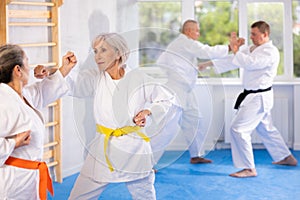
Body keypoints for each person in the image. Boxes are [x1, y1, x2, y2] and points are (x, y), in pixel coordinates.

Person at [63, 33, 177, 199]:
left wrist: (148, 111)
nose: (97, 56)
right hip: (103, 148)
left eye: (103, 50)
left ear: (118, 53)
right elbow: (73, 83)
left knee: (144, 195)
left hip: (135, 148)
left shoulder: (138, 78)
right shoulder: (95, 77)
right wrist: (57, 72)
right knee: (79, 195)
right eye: (95, 51)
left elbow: (167, 98)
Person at [199, 21, 298, 178]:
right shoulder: (252, 49)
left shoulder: (270, 52)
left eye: (254, 34)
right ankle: (286, 157)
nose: (251, 37)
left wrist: (238, 50)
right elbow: (232, 60)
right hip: (252, 96)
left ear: (265, 34)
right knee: (266, 129)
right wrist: (206, 64)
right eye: (251, 34)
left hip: (258, 97)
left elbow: (250, 63)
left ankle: (248, 168)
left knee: (238, 129)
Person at [0, 44, 77, 199]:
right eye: (27, 63)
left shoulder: (22, 95)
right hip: (12, 183)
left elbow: (42, 91)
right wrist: (14, 142)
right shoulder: (3, 103)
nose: (31, 68)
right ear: (18, 70)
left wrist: (64, 69)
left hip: (28, 178)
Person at [156, 19, 233, 164]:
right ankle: (146, 164)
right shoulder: (184, 42)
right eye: (196, 30)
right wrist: (229, 47)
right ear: (188, 31)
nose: (198, 33)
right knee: (168, 128)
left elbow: (164, 61)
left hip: (186, 90)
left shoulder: (182, 45)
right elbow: (206, 51)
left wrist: (187, 69)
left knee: (195, 120)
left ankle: (196, 155)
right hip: (176, 90)